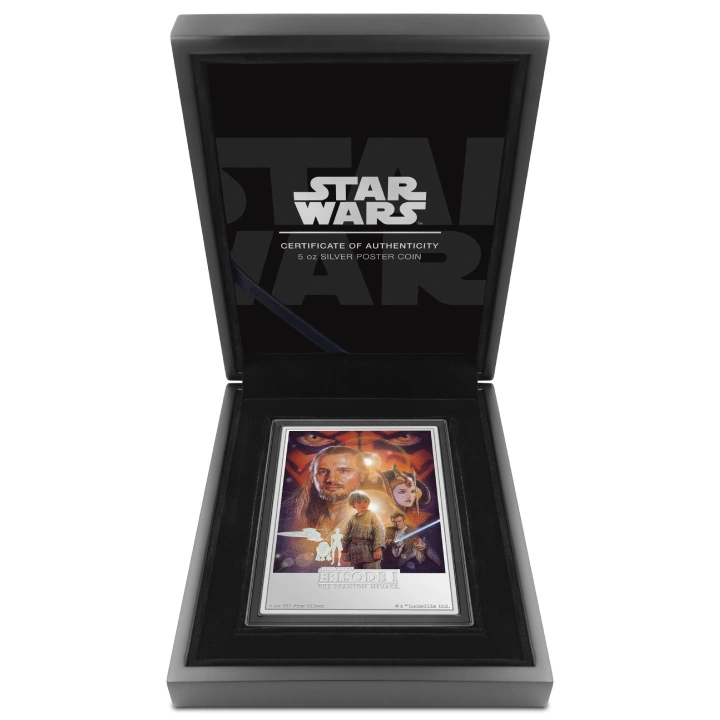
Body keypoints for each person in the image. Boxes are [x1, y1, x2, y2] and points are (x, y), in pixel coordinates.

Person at [283, 445, 369, 539]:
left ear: (362, 476)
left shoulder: (373, 521)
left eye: (343, 471)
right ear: (313, 477)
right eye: (323, 472)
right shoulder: (296, 520)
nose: (331, 479)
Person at [341, 491, 386, 569]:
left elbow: (379, 531)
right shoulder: (353, 518)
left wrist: (378, 549)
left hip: (369, 551)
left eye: (365, 501)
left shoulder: (373, 515)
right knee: (358, 573)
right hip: (355, 552)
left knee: (370, 572)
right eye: (359, 502)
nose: (363, 504)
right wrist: (344, 550)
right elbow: (346, 535)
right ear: (353, 504)